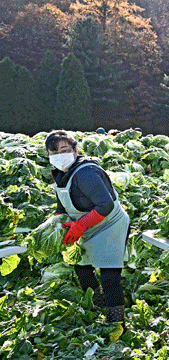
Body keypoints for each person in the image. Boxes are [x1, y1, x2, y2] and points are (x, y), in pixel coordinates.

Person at [46, 130, 129, 327]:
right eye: (54, 153)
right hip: (86, 227)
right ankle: (97, 306)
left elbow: (105, 205)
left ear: (75, 150)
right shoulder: (59, 174)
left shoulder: (86, 173)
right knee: (81, 268)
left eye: (65, 150)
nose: (60, 156)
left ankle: (116, 324)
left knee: (109, 277)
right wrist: (57, 225)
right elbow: (62, 207)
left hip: (110, 225)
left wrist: (81, 224)